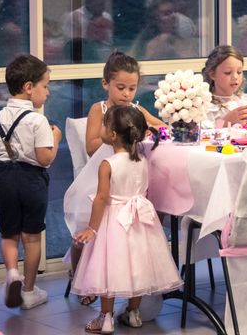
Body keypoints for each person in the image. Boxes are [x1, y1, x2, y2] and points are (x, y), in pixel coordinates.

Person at [65, 50, 164, 306]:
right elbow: (91, 146)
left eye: (132, 88)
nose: (126, 94)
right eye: (121, 87)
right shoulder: (99, 109)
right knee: (83, 229)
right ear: (105, 83)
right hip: (99, 174)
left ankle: (125, 280)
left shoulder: (135, 109)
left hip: (125, 180)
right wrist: (118, 135)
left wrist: (161, 128)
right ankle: (80, 278)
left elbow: (160, 125)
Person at [71, 105, 182, 332]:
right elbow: (146, 191)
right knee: (137, 266)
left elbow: (102, 198)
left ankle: (106, 318)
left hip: (114, 221)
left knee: (109, 269)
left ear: (112, 134)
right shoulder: (142, 159)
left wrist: (92, 228)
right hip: (140, 222)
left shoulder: (108, 164)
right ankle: (133, 313)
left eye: (104, 124)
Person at [0, 55, 63, 310]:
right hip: (32, 180)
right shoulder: (38, 120)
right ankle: (27, 291)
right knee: (32, 237)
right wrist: (56, 137)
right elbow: (45, 158)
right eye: (45, 86)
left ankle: (12, 273)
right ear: (29, 87)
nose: (47, 93)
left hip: (4, 177)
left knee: (9, 233)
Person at [201, 45, 247, 128]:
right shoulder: (205, 107)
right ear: (212, 74)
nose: (235, 77)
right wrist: (226, 121)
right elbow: (205, 132)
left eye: (239, 72)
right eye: (228, 72)